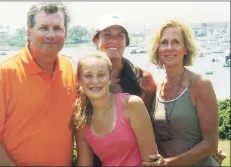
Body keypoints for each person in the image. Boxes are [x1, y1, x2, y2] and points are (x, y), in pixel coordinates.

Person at [0, 2, 76, 166]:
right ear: (29, 33)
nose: (51, 34)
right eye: (43, 28)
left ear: (65, 33)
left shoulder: (69, 68)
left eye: (57, 28)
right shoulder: (2, 74)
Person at [143, 19, 220, 166]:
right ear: (157, 49)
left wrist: (168, 164)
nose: (169, 47)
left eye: (176, 42)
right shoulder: (155, 87)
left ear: (185, 49)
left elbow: (211, 144)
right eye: (164, 42)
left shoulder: (200, 84)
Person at [92, 14, 157, 166]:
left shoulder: (144, 79)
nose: (113, 40)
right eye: (107, 35)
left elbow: (153, 128)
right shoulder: (84, 82)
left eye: (120, 36)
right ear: (96, 41)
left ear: (126, 42)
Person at [73, 53, 158, 166]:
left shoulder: (131, 105)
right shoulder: (81, 121)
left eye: (101, 75)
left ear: (109, 78)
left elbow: (151, 161)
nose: (95, 81)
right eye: (88, 75)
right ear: (79, 80)